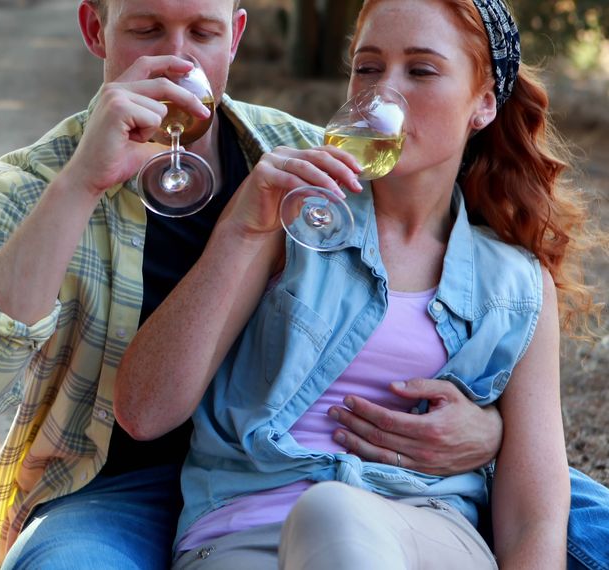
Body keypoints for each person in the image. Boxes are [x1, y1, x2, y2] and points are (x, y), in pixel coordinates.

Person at [0, 0, 609, 568]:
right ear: (96, 28)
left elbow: (424, 191)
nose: (178, 58)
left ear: (236, 36)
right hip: (134, 484)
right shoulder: (38, 182)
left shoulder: (306, 157)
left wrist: (496, 433)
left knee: (587, 521)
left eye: (203, 32)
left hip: (396, 495)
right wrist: (81, 184)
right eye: (147, 29)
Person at [114, 0, 604, 568]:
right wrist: (242, 231)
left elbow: (534, 513)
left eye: (420, 70)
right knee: (328, 515)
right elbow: (145, 412)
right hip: (244, 534)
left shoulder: (517, 284)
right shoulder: (282, 217)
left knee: (335, 513)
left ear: (484, 102)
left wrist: (494, 436)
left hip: (426, 534)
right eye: (368, 68)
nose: (382, 94)